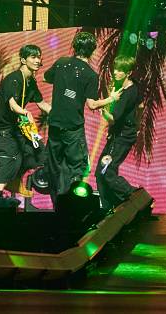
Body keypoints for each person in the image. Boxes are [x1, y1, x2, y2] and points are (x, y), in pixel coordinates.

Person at [43, 31, 119, 206]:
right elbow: (92, 104)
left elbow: (46, 78)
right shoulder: (90, 75)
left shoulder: (61, 63)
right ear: (92, 50)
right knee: (77, 168)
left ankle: (57, 206)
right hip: (73, 128)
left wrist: (64, 88)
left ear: (75, 47)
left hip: (55, 124)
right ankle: (72, 206)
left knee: (54, 167)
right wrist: (111, 99)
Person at [0, 44, 51, 202]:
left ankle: (14, 182)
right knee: (11, 156)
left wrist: (61, 115)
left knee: (38, 151)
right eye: (33, 57)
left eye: (39, 57)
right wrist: (25, 112)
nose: (37, 60)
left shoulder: (30, 81)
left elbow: (42, 104)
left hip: (14, 126)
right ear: (23, 60)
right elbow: (12, 105)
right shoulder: (14, 79)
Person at [96, 55, 143, 210]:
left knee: (106, 171)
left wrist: (103, 109)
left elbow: (112, 118)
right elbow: (141, 106)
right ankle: (111, 207)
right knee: (102, 172)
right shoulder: (134, 86)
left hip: (121, 137)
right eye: (115, 69)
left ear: (128, 73)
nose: (115, 72)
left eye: (120, 70)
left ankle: (134, 195)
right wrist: (137, 125)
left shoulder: (126, 94)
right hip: (122, 135)